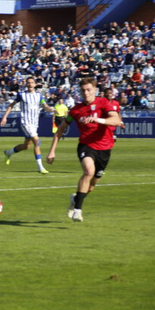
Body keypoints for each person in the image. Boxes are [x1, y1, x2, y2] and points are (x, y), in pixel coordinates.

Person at [46, 78, 122, 222]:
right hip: (86, 146)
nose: (86, 93)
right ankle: (77, 210)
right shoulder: (76, 110)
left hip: (105, 148)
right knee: (88, 171)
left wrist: (97, 120)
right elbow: (61, 128)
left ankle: (75, 198)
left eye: (88, 90)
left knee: (91, 186)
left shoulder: (103, 103)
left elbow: (116, 120)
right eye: (83, 90)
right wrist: (52, 151)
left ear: (95, 90)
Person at [1, 76, 53, 174]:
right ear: (26, 84)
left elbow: (45, 107)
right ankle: (40, 167)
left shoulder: (39, 96)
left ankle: (9, 152)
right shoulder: (21, 95)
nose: (30, 84)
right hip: (26, 122)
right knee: (37, 141)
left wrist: (52, 109)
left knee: (26, 146)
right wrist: (5, 117)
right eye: (28, 82)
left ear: (35, 84)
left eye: (32, 82)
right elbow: (11, 105)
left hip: (34, 123)